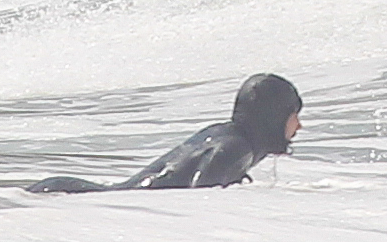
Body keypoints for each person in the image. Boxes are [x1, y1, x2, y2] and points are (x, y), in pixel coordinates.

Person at [33, 73, 304, 193]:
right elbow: (196, 197)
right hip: (74, 197)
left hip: (74, 192)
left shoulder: (225, 135)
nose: (298, 127)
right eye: (294, 116)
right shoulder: (235, 148)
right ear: (275, 116)